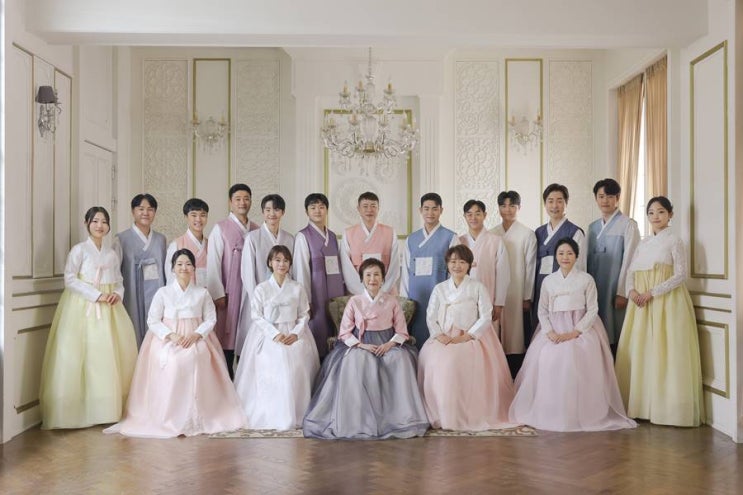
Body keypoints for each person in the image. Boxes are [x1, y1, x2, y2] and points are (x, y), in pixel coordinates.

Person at [106, 249, 246, 437]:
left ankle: (200, 413)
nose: (184, 268)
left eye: (188, 264)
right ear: (172, 268)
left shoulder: (202, 293)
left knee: (199, 356)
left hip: (196, 338)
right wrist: (171, 335)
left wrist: (197, 334)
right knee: (173, 361)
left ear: (194, 268)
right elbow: (152, 320)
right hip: (168, 339)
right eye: (179, 264)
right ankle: (170, 415)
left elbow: (210, 319)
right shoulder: (163, 293)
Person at [509, 238, 636, 432]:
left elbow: (592, 309)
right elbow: (542, 310)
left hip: (580, 328)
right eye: (561, 253)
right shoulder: (549, 281)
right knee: (547, 358)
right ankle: (550, 410)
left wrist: (575, 332)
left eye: (569, 253)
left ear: (576, 256)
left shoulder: (586, 279)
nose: (565, 257)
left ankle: (582, 413)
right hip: (554, 329)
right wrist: (549, 332)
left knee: (576, 358)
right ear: (555, 256)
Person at [303, 258, 429, 439]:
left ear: (383, 278)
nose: (372, 279)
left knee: (399, 359)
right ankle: (359, 418)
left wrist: (389, 344)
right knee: (358, 360)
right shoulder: (354, 301)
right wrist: (362, 345)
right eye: (368, 275)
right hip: (361, 343)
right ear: (362, 278)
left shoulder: (392, 301)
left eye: (377, 274)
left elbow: (402, 331)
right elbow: (344, 333)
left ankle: (396, 417)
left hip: (387, 343)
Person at [39, 207, 138, 429]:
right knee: (78, 354)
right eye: (95, 221)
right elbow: (69, 279)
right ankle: (77, 410)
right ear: (87, 223)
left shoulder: (111, 254)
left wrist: (116, 294)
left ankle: (106, 409)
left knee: (107, 355)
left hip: (109, 308)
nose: (100, 226)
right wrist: (96, 295)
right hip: (82, 307)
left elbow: (119, 281)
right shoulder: (79, 250)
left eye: (104, 222)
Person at [615, 196, 704, 427]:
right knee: (642, 351)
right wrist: (631, 291)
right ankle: (640, 406)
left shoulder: (675, 241)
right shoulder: (643, 243)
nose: (656, 217)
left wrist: (652, 292)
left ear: (670, 215)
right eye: (651, 213)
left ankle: (667, 410)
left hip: (667, 303)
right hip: (640, 304)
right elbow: (631, 271)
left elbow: (681, 274)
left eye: (661, 212)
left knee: (665, 351)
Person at [418, 245, 514, 431]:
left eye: (462, 262)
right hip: (444, 336)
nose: (457, 266)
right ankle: (442, 413)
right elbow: (431, 316)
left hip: (470, 337)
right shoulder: (439, 289)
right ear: (447, 264)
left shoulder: (477, 287)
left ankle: (464, 414)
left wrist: (469, 335)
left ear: (469, 265)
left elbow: (485, 316)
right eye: (453, 261)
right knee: (433, 362)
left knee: (453, 363)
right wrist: (438, 335)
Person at [234, 246, 320, 430]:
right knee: (275, 362)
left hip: (294, 333)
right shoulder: (262, 289)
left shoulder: (297, 288)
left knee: (298, 363)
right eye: (278, 260)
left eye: (286, 260)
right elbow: (256, 316)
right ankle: (272, 413)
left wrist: (296, 333)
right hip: (269, 334)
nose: (282, 264)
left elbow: (304, 314)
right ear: (270, 263)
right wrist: (274, 334)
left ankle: (298, 411)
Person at [207, 183, 259, 378]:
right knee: (227, 334)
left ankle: (245, 380)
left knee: (248, 333)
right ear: (230, 202)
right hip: (230, 291)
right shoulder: (220, 228)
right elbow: (213, 263)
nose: (242, 202)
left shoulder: (256, 229)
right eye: (238, 199)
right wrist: (218, 293)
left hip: (251, 289)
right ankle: (227, 380)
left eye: (246, 199)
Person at [586, 179, 640, 356]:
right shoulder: (592, 227)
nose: (605, 201)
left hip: (615, 286)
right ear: (596, 198)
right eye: (601, 196)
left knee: (615, 330)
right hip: (594, 287)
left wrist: (623, 291)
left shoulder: (628, 225)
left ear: (617, 198)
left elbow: (631, 260)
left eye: (610, 196)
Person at [238, 194, 295, 355]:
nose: (272, 214)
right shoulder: (252, 238)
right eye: (268, 210)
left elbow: (292, 271)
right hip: (259, 298)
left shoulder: (289, 238)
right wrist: (257, 299)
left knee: (284, 344)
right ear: (263, 212)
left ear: (283, 212)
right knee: (258, 345)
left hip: (284, 299)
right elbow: (247, 273)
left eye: (276, 210)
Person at [401, 193, 459, 349]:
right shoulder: (411, 239)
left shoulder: (450, 237)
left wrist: (452, 298)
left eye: (434, 209)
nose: (430, 213)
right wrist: (405, 299)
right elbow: (406, 271)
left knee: (439, 334)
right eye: (426, 209)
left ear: (441, 210)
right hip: (416, 297)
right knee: (416, 334)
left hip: (441, 297)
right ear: (420, 210)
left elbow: (455, 271)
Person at [293, 193, 345, 358]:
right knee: (318, 330)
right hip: (316, 294)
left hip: (336, 292)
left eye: (321, 207)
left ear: (327, 210)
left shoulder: (333, 237)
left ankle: (334, 365)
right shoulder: (303, 236)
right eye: (313, 207)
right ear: (306, 211)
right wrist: (305, 300)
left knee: (336, 328)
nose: (317, 211)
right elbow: (301, 271)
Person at [532, 184, 585, 344]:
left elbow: (580, 266)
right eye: (550, 201)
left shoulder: (575, 232)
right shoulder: (539, 232)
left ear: (566, 203)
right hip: (542, 286)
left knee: (562, 330)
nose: (554, 205)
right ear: (545, 204)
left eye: (559, 201)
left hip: (564, 291)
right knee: (542, 327)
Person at [492, 191, 537, 377]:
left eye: (512, 206)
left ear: (519, 208)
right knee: (496, 331)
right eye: (503, 206)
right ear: (498, 208)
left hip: (517, 289)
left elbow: (531, 266)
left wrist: (527, 296)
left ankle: (515, 372)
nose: (507, 210)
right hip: (496, 290)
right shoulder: (492, 233)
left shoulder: (527, 234)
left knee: (516, 334)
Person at [115, 193, 167, 347]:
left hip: (156, 293)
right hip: (131, 294)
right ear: (133, 211)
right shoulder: (121, 239)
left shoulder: (161, 240)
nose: (146, 213)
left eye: (150, 209)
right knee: (132, 333)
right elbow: (115, 272)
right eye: (141, 209)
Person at [459, 200, 510, 326]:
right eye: (469, 214)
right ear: (464, 216)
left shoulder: (496, 241)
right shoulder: (459, 241)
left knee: (487, 330)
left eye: (477, 214)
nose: (473, 218)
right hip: (463, 298)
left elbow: (503, 275)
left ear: (485, 215)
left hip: (488, 296)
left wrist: (499, 303)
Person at [340, 191, 400, 295]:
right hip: (357, 292)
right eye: (365, 206)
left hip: (386, 290)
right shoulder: (348, 233)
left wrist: (382, 290)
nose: (369, 210)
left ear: (378, 208)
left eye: (373, 206)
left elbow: (395, 265)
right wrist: (362, 292)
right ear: (358, 209)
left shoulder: (390, 232)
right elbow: (346, 267)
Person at [166, 198, 209, 288]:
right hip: (185, 295)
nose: (198, 219)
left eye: (203, 215)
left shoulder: (210, 245)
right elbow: (171, 278)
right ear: (186, 217)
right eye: (194, 215)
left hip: (207, 294)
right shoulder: (176, 245)